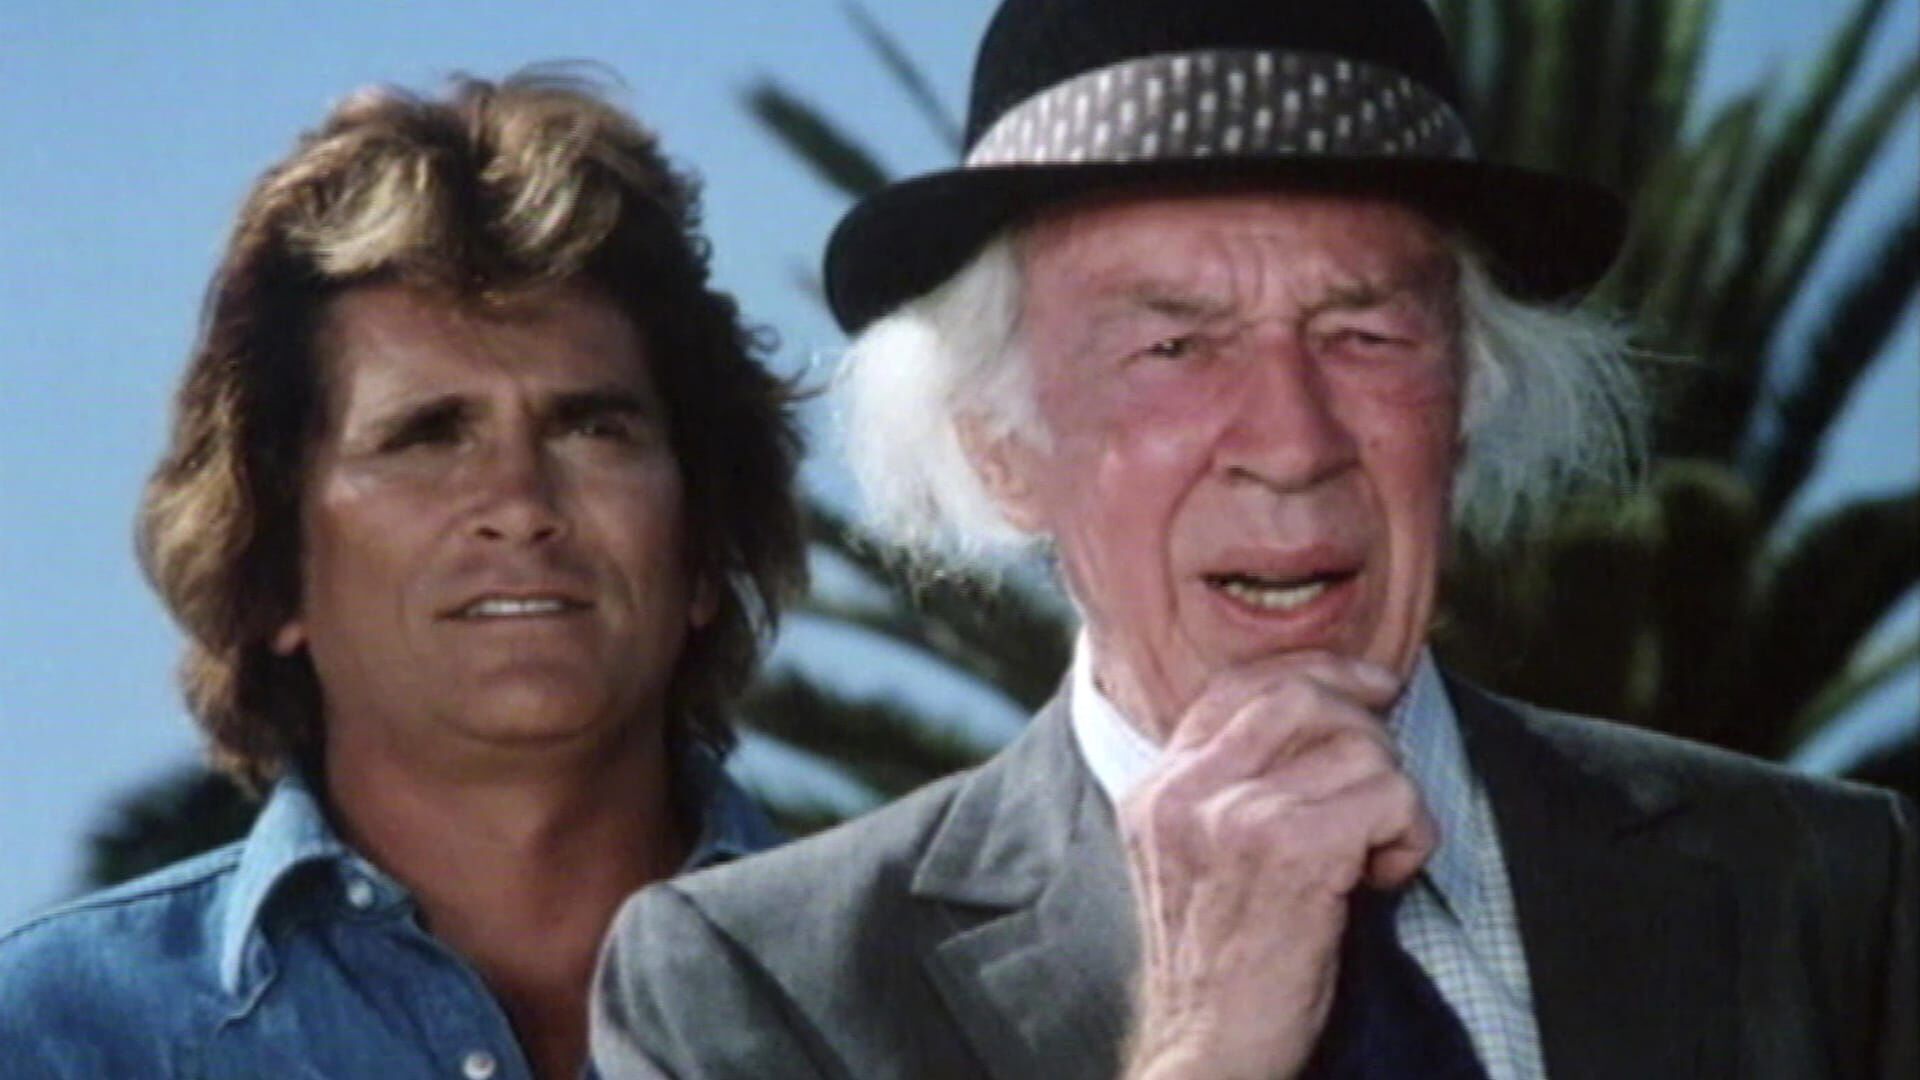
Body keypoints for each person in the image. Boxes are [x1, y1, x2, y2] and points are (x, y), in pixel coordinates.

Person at [590, 1, 1917, 1077]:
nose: (1291, 441)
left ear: (1468, 402)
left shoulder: (1831, 892)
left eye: (1366, 333)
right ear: (1002, 447)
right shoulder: (751, 987)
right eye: (1174, 347)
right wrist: (1204, 1047)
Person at [0, 72, 805, 1080]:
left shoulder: (921, 996)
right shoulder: (63, 1036)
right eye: (428, 435)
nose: (520, 502)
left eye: (592, 428)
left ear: (702, 545)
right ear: (274, 569)